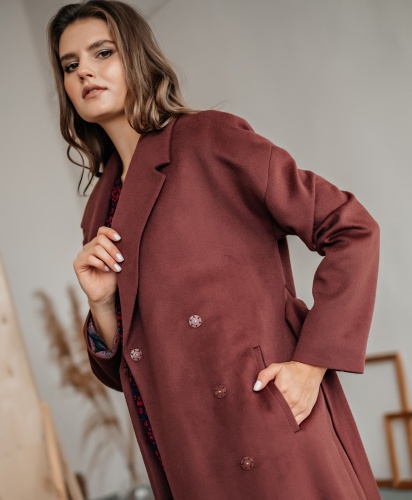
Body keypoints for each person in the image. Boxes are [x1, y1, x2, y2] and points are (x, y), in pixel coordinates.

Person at [47, 1, 380, 498]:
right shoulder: (99, 209)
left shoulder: (209, 140)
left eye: (102, 53)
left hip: (266, 421)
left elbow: (351, 228)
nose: (85, 72)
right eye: (70, 64)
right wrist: (100, 306)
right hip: (188, 451)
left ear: (136, 57)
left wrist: (310, 365)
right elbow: (136, 371)